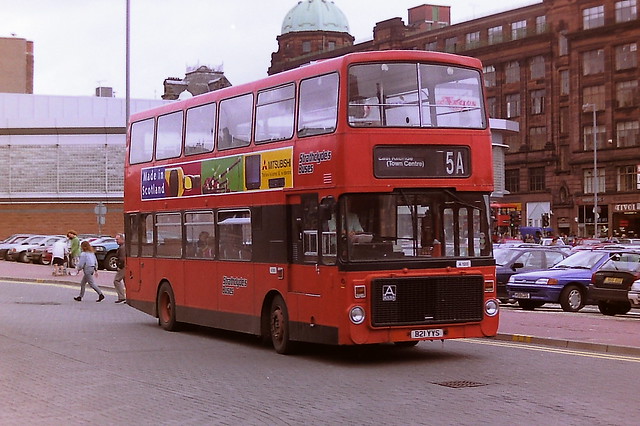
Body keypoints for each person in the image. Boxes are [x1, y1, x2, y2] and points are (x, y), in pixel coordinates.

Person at [113, 233, 126, 303]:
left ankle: (121, 296)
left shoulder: (122, 248)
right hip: (126, 266)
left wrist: (120, 267)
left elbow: (122, 259)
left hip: (123, 267)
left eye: (117, 239)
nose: (116, 241)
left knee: (116, 280)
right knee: (126, 282)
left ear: (122, 239)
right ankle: (128, 298)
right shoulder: (123, 247)